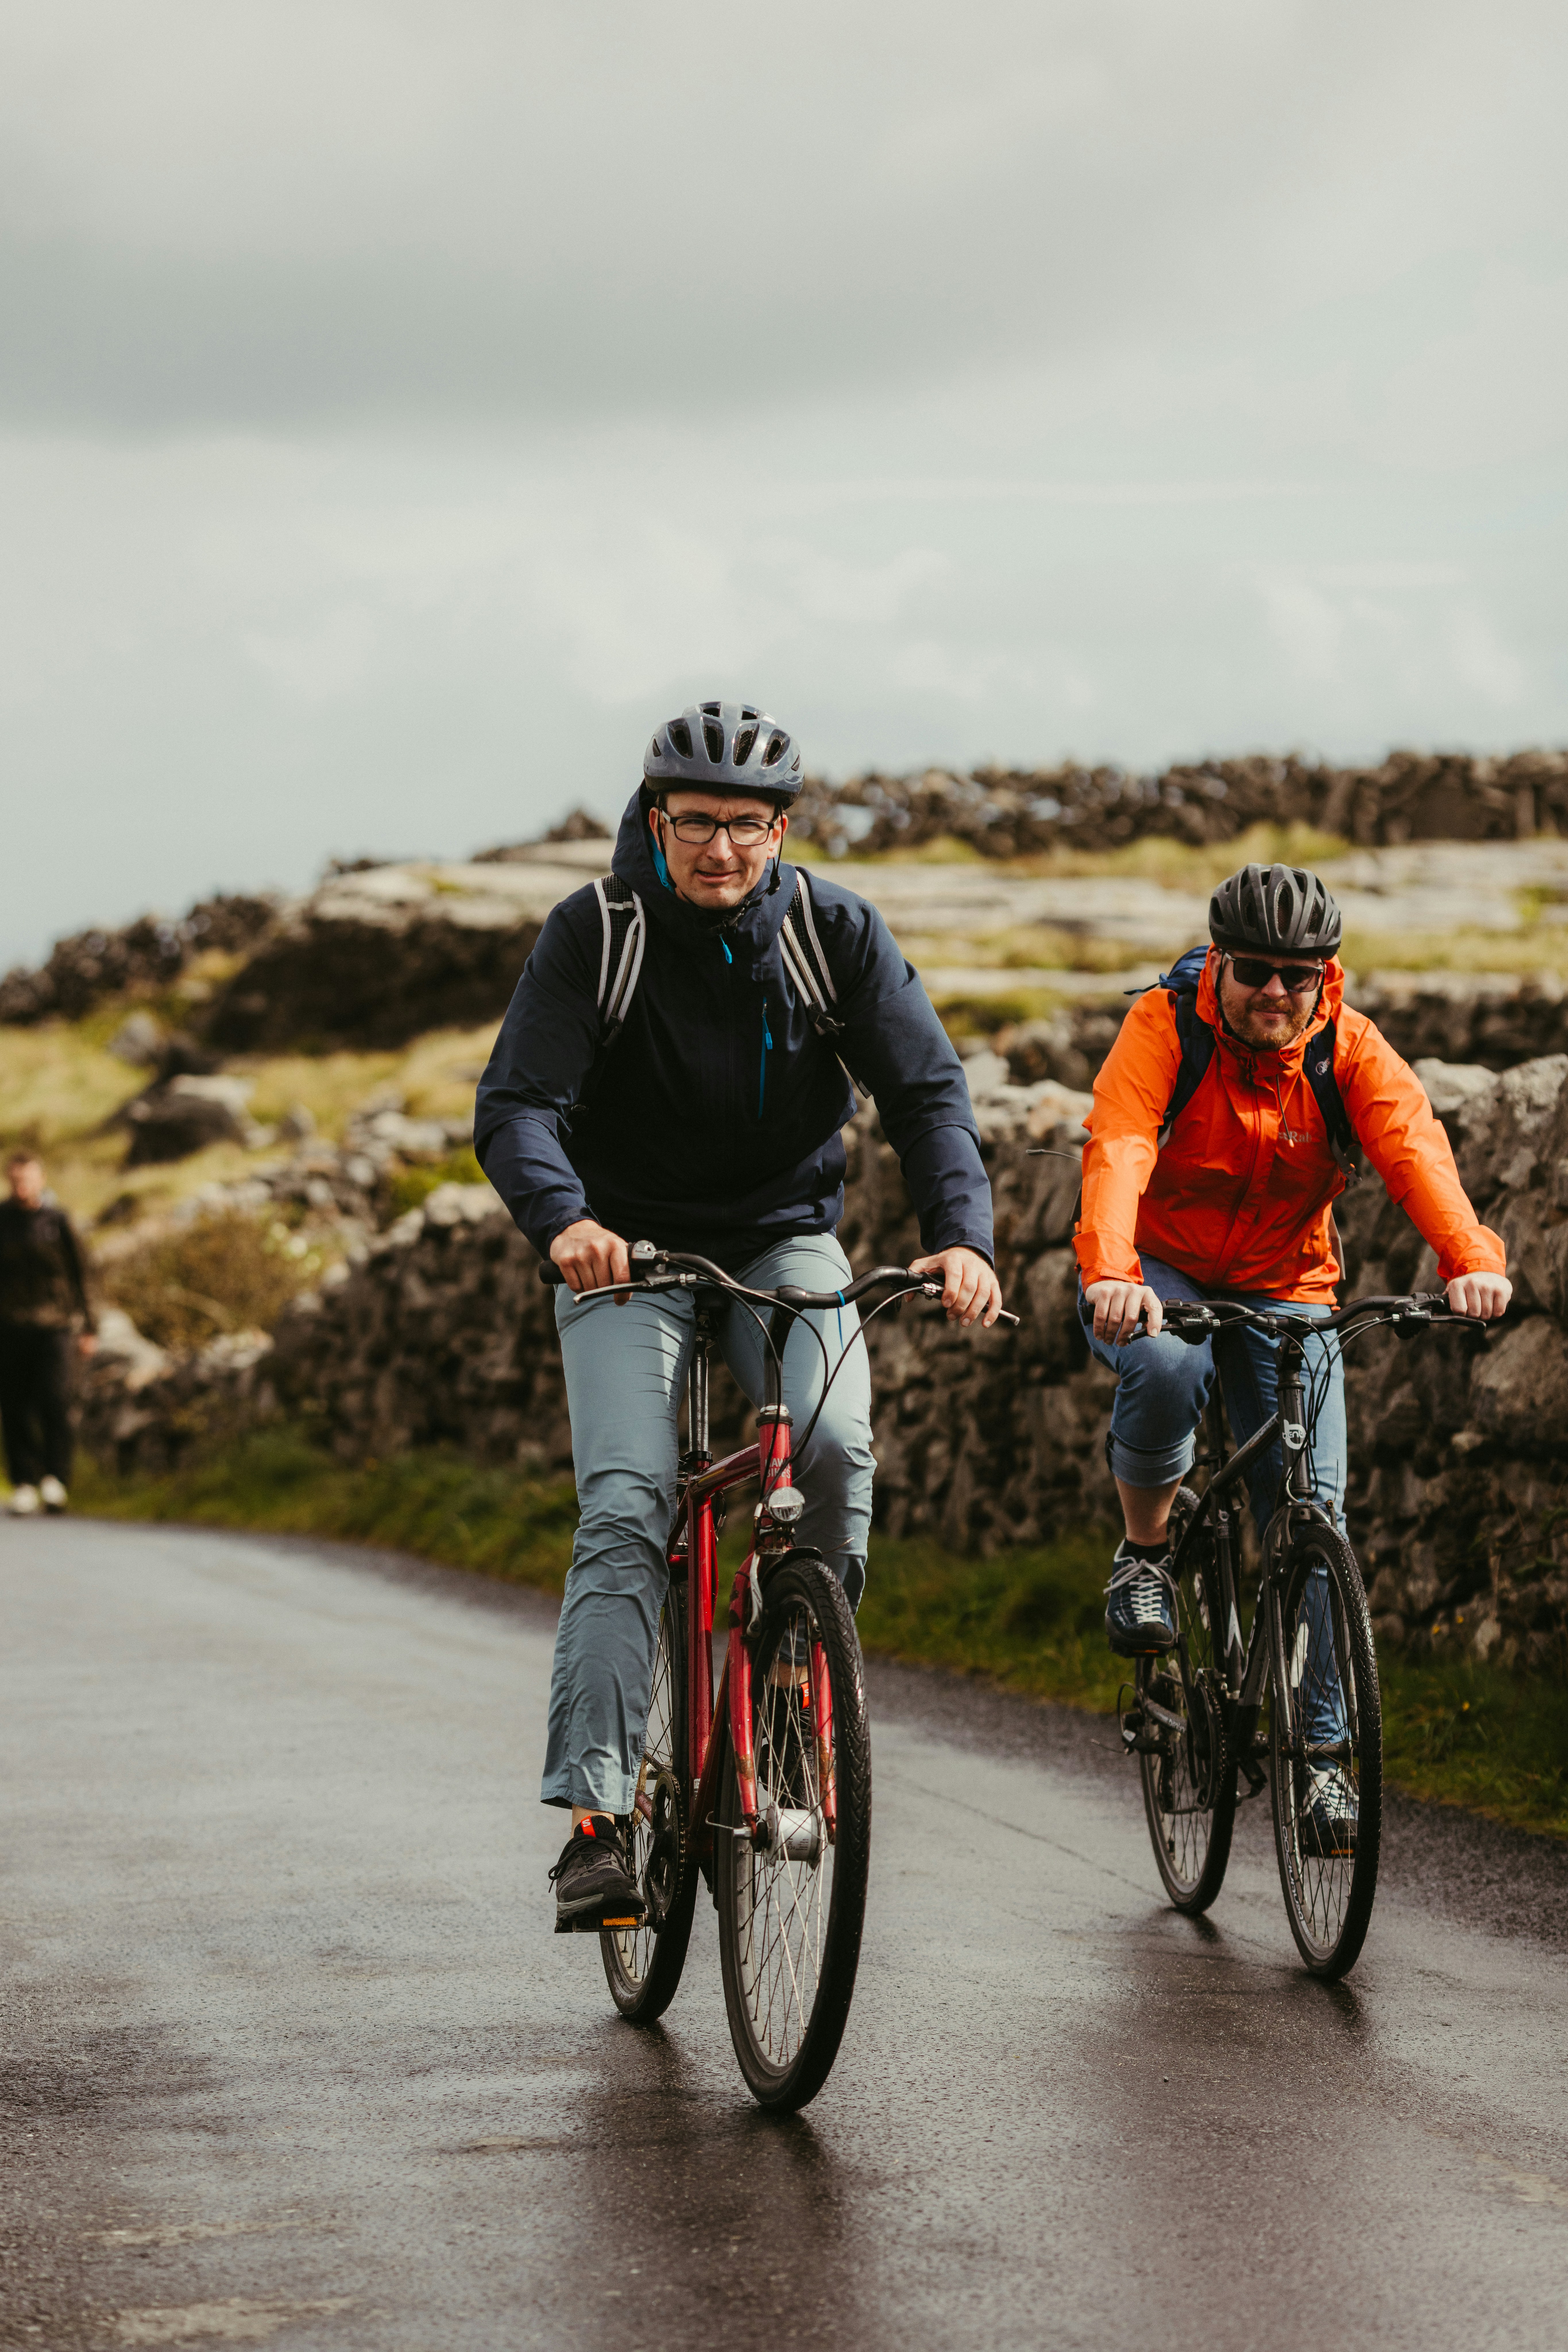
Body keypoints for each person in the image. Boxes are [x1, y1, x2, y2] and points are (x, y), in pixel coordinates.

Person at [476, 700, 1003, 1931]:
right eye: (700, 821)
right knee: (624, 1504)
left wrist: (961, 1237)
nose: (723, 849)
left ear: (782, 828)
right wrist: (566, 1224)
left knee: (832, 1447)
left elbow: (925, 1090)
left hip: (783, 1234)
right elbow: (518, 1104)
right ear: (657, 821)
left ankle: (793, 1693)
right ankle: (600, 1823)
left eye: (749, 825)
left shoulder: (833, 931)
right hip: (627, 1246)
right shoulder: (594, 935)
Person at [1076, 861, 1511, 1856]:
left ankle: (1322, 1764)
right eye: (1256, 969)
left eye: (1298, 974)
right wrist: (1112, 1270)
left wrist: (1471, 1259)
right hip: (1158, 1269)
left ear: (1328, 977)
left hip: (1288, 1285)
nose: (1275, 992)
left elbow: (1414, 1149)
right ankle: (1143, 1559)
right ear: (1220, 962)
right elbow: (1119, 1147)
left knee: (1313, 1512)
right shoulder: (1165, 1027)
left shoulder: (1347, 1049)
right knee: (1168, 1368)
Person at [0, 1150, 97, 1517]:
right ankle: (24, 1482)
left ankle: (57, 1479)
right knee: (15, 1407)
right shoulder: (2, 1220)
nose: (22, 1187)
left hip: (55, 1327)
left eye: (28, 1179)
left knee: (56, 1401)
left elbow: (83, 1274)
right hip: (9, 1329)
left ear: (40, 1180)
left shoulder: (58, 1221)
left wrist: (91, 1325)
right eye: (16, 1180)